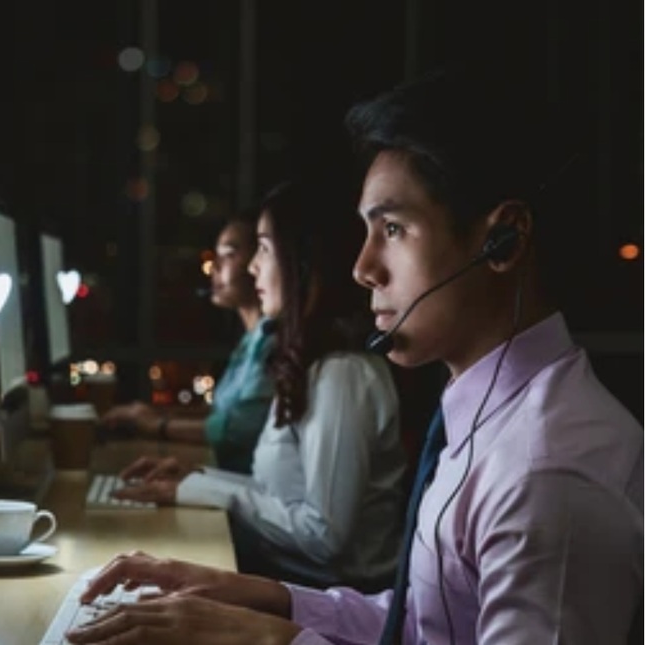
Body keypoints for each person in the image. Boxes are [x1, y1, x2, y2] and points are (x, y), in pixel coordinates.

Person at [65, 62, 644, 645]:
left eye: (392, 229)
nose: (363, 269)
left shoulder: (546, 472)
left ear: (504, 241)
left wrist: (266, 639)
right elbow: (422, 624)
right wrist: (257, 596)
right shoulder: (485, 414)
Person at [108, 181, 407, 591]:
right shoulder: (311, 365)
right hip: (286, 580)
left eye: (264, 249)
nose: (252, 267)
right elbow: (280, 497)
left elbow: (325, 535)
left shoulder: (342, 374)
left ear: (302, 262)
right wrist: (197, 477)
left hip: (324, 601)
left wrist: (208, 490)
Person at [101, 212, 275, 475]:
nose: (214, 266)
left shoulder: (273, 341)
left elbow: (239, 429)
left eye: (228, 254)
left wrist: (157, 425)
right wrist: (154, 411)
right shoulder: (251, 339)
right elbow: (220, 413)